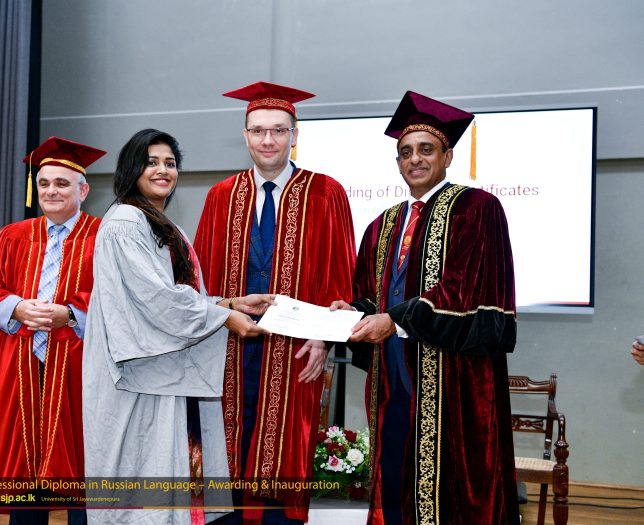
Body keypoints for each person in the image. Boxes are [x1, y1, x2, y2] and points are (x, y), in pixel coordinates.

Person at [332, 91, 520, 525]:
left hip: (454, 380)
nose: (414, 159)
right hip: (393, 380)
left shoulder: (477, 209)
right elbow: (371, 296)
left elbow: (462, 291)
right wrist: (351, 312)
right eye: (405, 152)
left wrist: (393, 320)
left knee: (454, 490)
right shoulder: (381, 225)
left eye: (426, 149)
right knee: (397, 482)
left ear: (447, 156)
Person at [81, 129, 274, 525]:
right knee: (142, 481)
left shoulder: (162, 225)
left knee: (172, 478)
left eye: (170, 163)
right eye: (151, 162)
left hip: (167, 373)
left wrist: (228, 303)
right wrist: (226, 318)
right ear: (132, 168)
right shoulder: (125, 222)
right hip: (139, 376)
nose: (163, 170)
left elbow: (177, 295)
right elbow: (158, 301)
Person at [193, 82, 357, 524]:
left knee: (283, 454)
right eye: (258, 131)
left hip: (297, 349)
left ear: (295, 135)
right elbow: (200, 276)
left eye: (279, 130)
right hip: (228, 346)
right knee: (226, 447)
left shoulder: (326, 193)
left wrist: (324, 340)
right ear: (245, 135)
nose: (268, 140)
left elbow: (341, 278)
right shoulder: (221, 195)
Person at [0, 136, 106, 525]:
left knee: (83, 464)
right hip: (21, 364)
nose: (51, 191)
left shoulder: (105, 236)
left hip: (79, 365)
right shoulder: (13, 235)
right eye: (44, 183)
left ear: (83, 190)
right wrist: (15, 307)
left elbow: (119, 297)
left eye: (62, 183)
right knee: (23, 467)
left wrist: (72, 313)